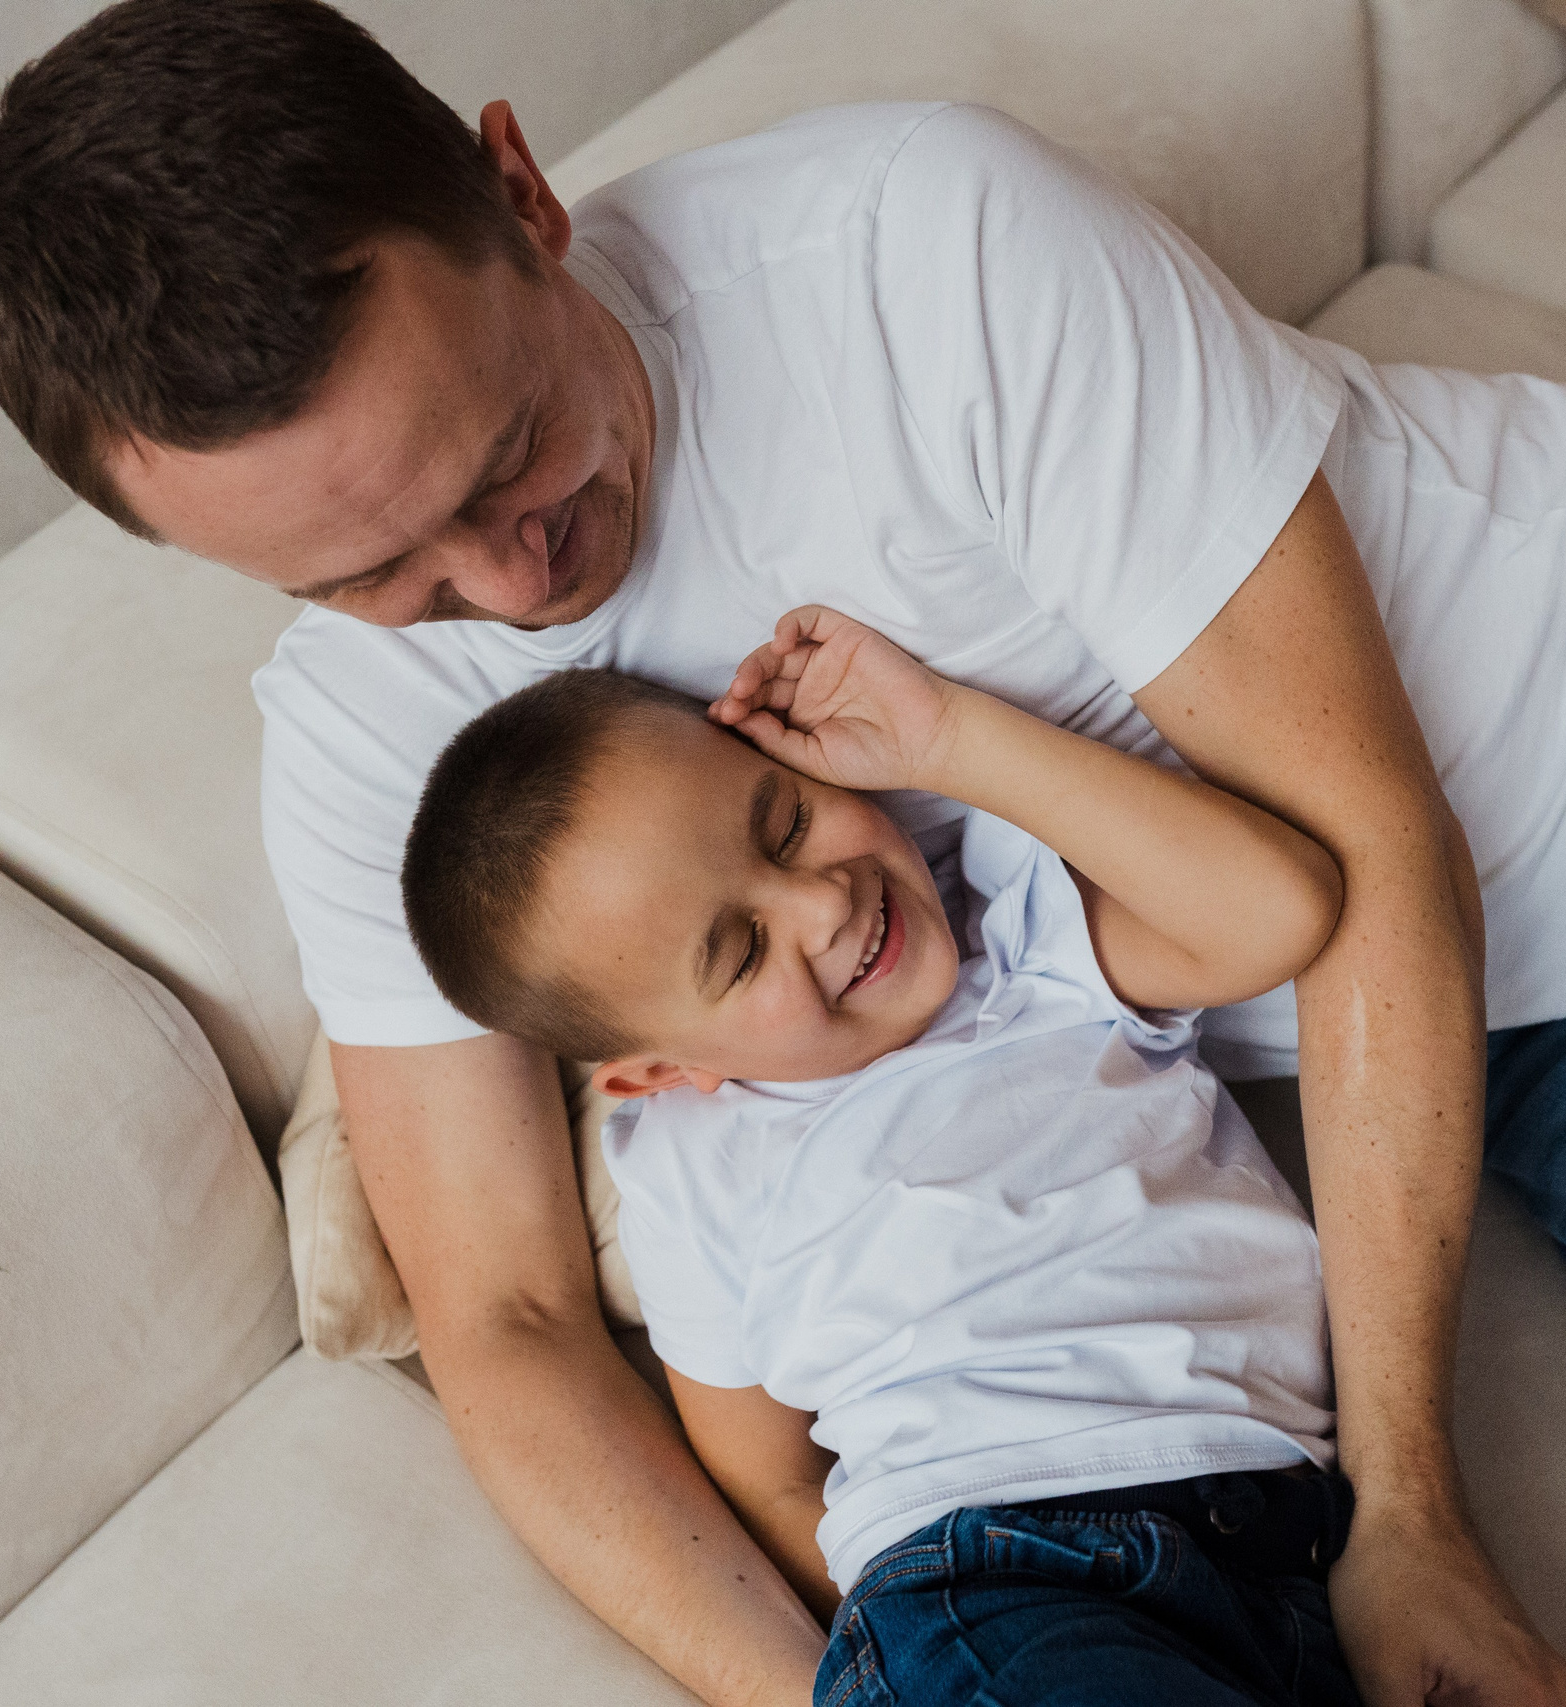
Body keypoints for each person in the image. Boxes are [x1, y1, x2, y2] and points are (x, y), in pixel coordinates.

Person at [0, 1, 1566, 1702]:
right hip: (1558, 1041)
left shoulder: (914, 241)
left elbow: (1362, 823)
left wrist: (1407, 1498)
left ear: (520, 194)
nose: (501, 587)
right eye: (371, 577)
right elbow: (505, 1313)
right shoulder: (354, 753)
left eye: (501, 453)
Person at [400, 604, 1355, 1706]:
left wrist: (946, 735)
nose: (821, 904)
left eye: (786, 824)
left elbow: (1283, 907)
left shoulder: (1039, 947)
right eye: (742, 951)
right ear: (659, 1071)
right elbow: (765, 1474)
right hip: (989, 1583)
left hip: (1293, 1553)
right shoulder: (695, 1164)